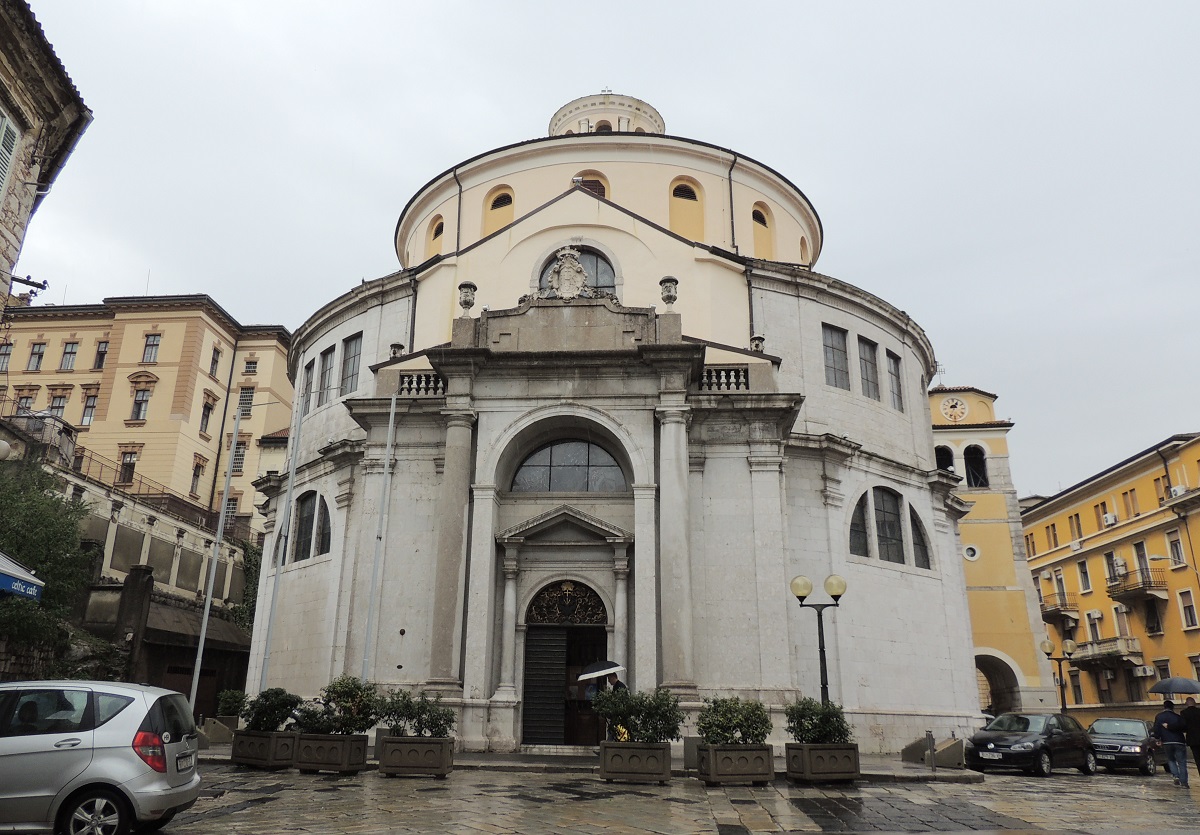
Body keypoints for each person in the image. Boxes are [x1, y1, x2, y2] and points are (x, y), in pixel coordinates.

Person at [1152, 699, 1190, 787]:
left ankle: (1175, 776)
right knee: (1182, 762)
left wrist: (1158, 739)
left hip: (1166, 742)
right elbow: (1184, 728)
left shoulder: (1159, 717)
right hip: (1179, 741)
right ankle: (1184, 782)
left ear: (1164, 707)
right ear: (1173, 707)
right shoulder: (1178, 717)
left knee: (1171, 760)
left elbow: (1156, 729)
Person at [1182, 697, 1200, 777]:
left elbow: (1183, 726)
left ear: (1186, 703)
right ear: (1195, 703)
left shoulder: (1184, 713)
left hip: (1192, 740)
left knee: (1197, 759)